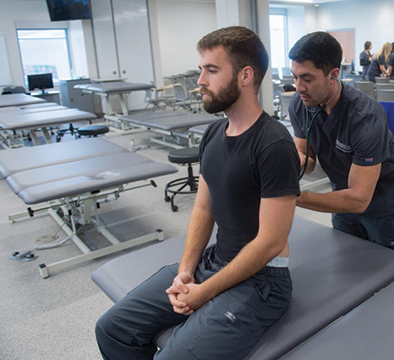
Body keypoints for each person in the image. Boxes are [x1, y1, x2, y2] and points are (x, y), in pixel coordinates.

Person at [95, 26, 301, 360]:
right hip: (213, 263)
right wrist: (186, 272)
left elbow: (270, 243)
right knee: (112, 329)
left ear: (246, 75)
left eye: (212, 70)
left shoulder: (273, 144)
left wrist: (202, 293)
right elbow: (203, 210)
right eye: (201, 69)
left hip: (262, 283)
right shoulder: (213, 134)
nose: (200, 80)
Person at [287, 31, 394, 258]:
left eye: (307, 78)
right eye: (294, 77)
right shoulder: (300, 105)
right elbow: (306, 156)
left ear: (333, 74)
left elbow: (359, 199)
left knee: (393, 272)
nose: (298, 87)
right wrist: (282, 167)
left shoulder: (365, 116)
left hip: (382, 203)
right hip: (341, 198)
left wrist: (288, 197)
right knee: (349, 265)